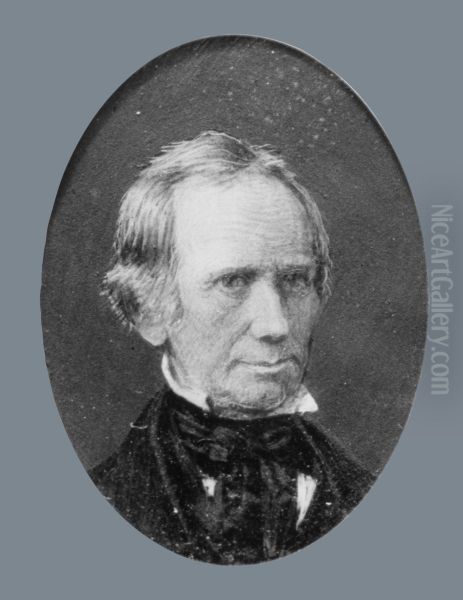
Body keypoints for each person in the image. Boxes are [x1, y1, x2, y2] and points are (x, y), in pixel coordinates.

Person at [89, 130, 373, 564]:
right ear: (148, 309)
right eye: (233, 281)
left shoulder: (365, 495)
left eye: (295, 280)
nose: (276, 324)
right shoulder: (102, 500)